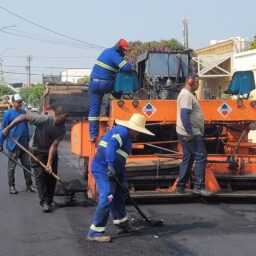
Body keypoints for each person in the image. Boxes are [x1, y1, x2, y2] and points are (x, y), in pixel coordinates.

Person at [87, 113, 154, 242]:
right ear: (134, 128)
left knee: (118, 195)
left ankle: (122, 224)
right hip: (102, 168)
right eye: (138, 131)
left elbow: (121, 162)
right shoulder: (122, 131)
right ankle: (94, 233)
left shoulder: (128, 138)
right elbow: (111, 145)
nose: (138, 134)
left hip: (112, 170)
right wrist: (110, 165)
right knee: (107, 196)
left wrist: (123, 182)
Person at [2, 106, 68, 212]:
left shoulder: (63, 128)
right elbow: (23, 117)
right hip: (37, 151)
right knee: (40, 175)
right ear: (58, 115)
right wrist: (8, 128)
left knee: (52, 177)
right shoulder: (44, 120)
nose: (66, 119)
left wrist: (49, 163)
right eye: (65, 117)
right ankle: (44, 202)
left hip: (50, 152)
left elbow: (54, 145)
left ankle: (50, 199)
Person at [176, 74, 213, 196]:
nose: (198, 85)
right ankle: (199, 187)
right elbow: (184, 114)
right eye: (197, 82)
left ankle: (181, 186)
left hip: (186, 132)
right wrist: (190, 132)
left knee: (189, 157)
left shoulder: (187, 95)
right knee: (201, 155)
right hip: (191, 133)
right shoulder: (186, 95)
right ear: (191, 82)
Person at [88, 39, 132, 142]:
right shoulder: (115, 54)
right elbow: (127, 68)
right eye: (124, 50)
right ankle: (110, 110)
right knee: (119, 85)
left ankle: (93, 135)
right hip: (105, 84)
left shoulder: (106, 52)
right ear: (119, 48)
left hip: (93, 84)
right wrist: (128, 63)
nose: (124, 52)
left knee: (94, 110)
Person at [0, 94, 37, 194]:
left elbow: (25, 126)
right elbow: (3, 129)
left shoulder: (23, 112)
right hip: (13, 144)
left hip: (24, 145)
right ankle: (11, 186)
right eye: (18, 101)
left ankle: (29, 185)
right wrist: (0, 142)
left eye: (20, 101)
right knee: (12, 167)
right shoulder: (8, 114)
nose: (20, 103)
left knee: (27, 165)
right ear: (13, 102)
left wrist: (28, 139)